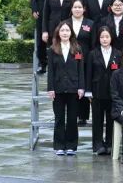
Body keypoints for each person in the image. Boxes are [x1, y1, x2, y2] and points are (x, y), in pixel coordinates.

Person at [47, 21, 85, 156]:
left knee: (72, 118)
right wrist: (50, 88)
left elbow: (81, 69)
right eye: (62, 30)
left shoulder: (77, 49)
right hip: (58, 88)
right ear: (58, 33)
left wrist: (81, 87)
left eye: (67, 30)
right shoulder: (52, 49)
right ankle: (59, 145)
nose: (64, 33)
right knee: (59, 118)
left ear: (71, 33)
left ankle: (71, 146)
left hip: (73, 88)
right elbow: (50, 71)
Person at [87, 26, 119, 156]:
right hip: (97, 91)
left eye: (107, 37)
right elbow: (88, 73)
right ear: (98, 38)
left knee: (111, 119)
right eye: (102, 37)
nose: (104, 39)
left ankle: (110, 144)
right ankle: (98, 144)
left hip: (113, 92)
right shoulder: (92, 54)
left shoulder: (118, 53)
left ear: (111, 38)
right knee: (97, 119)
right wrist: (88, 91)